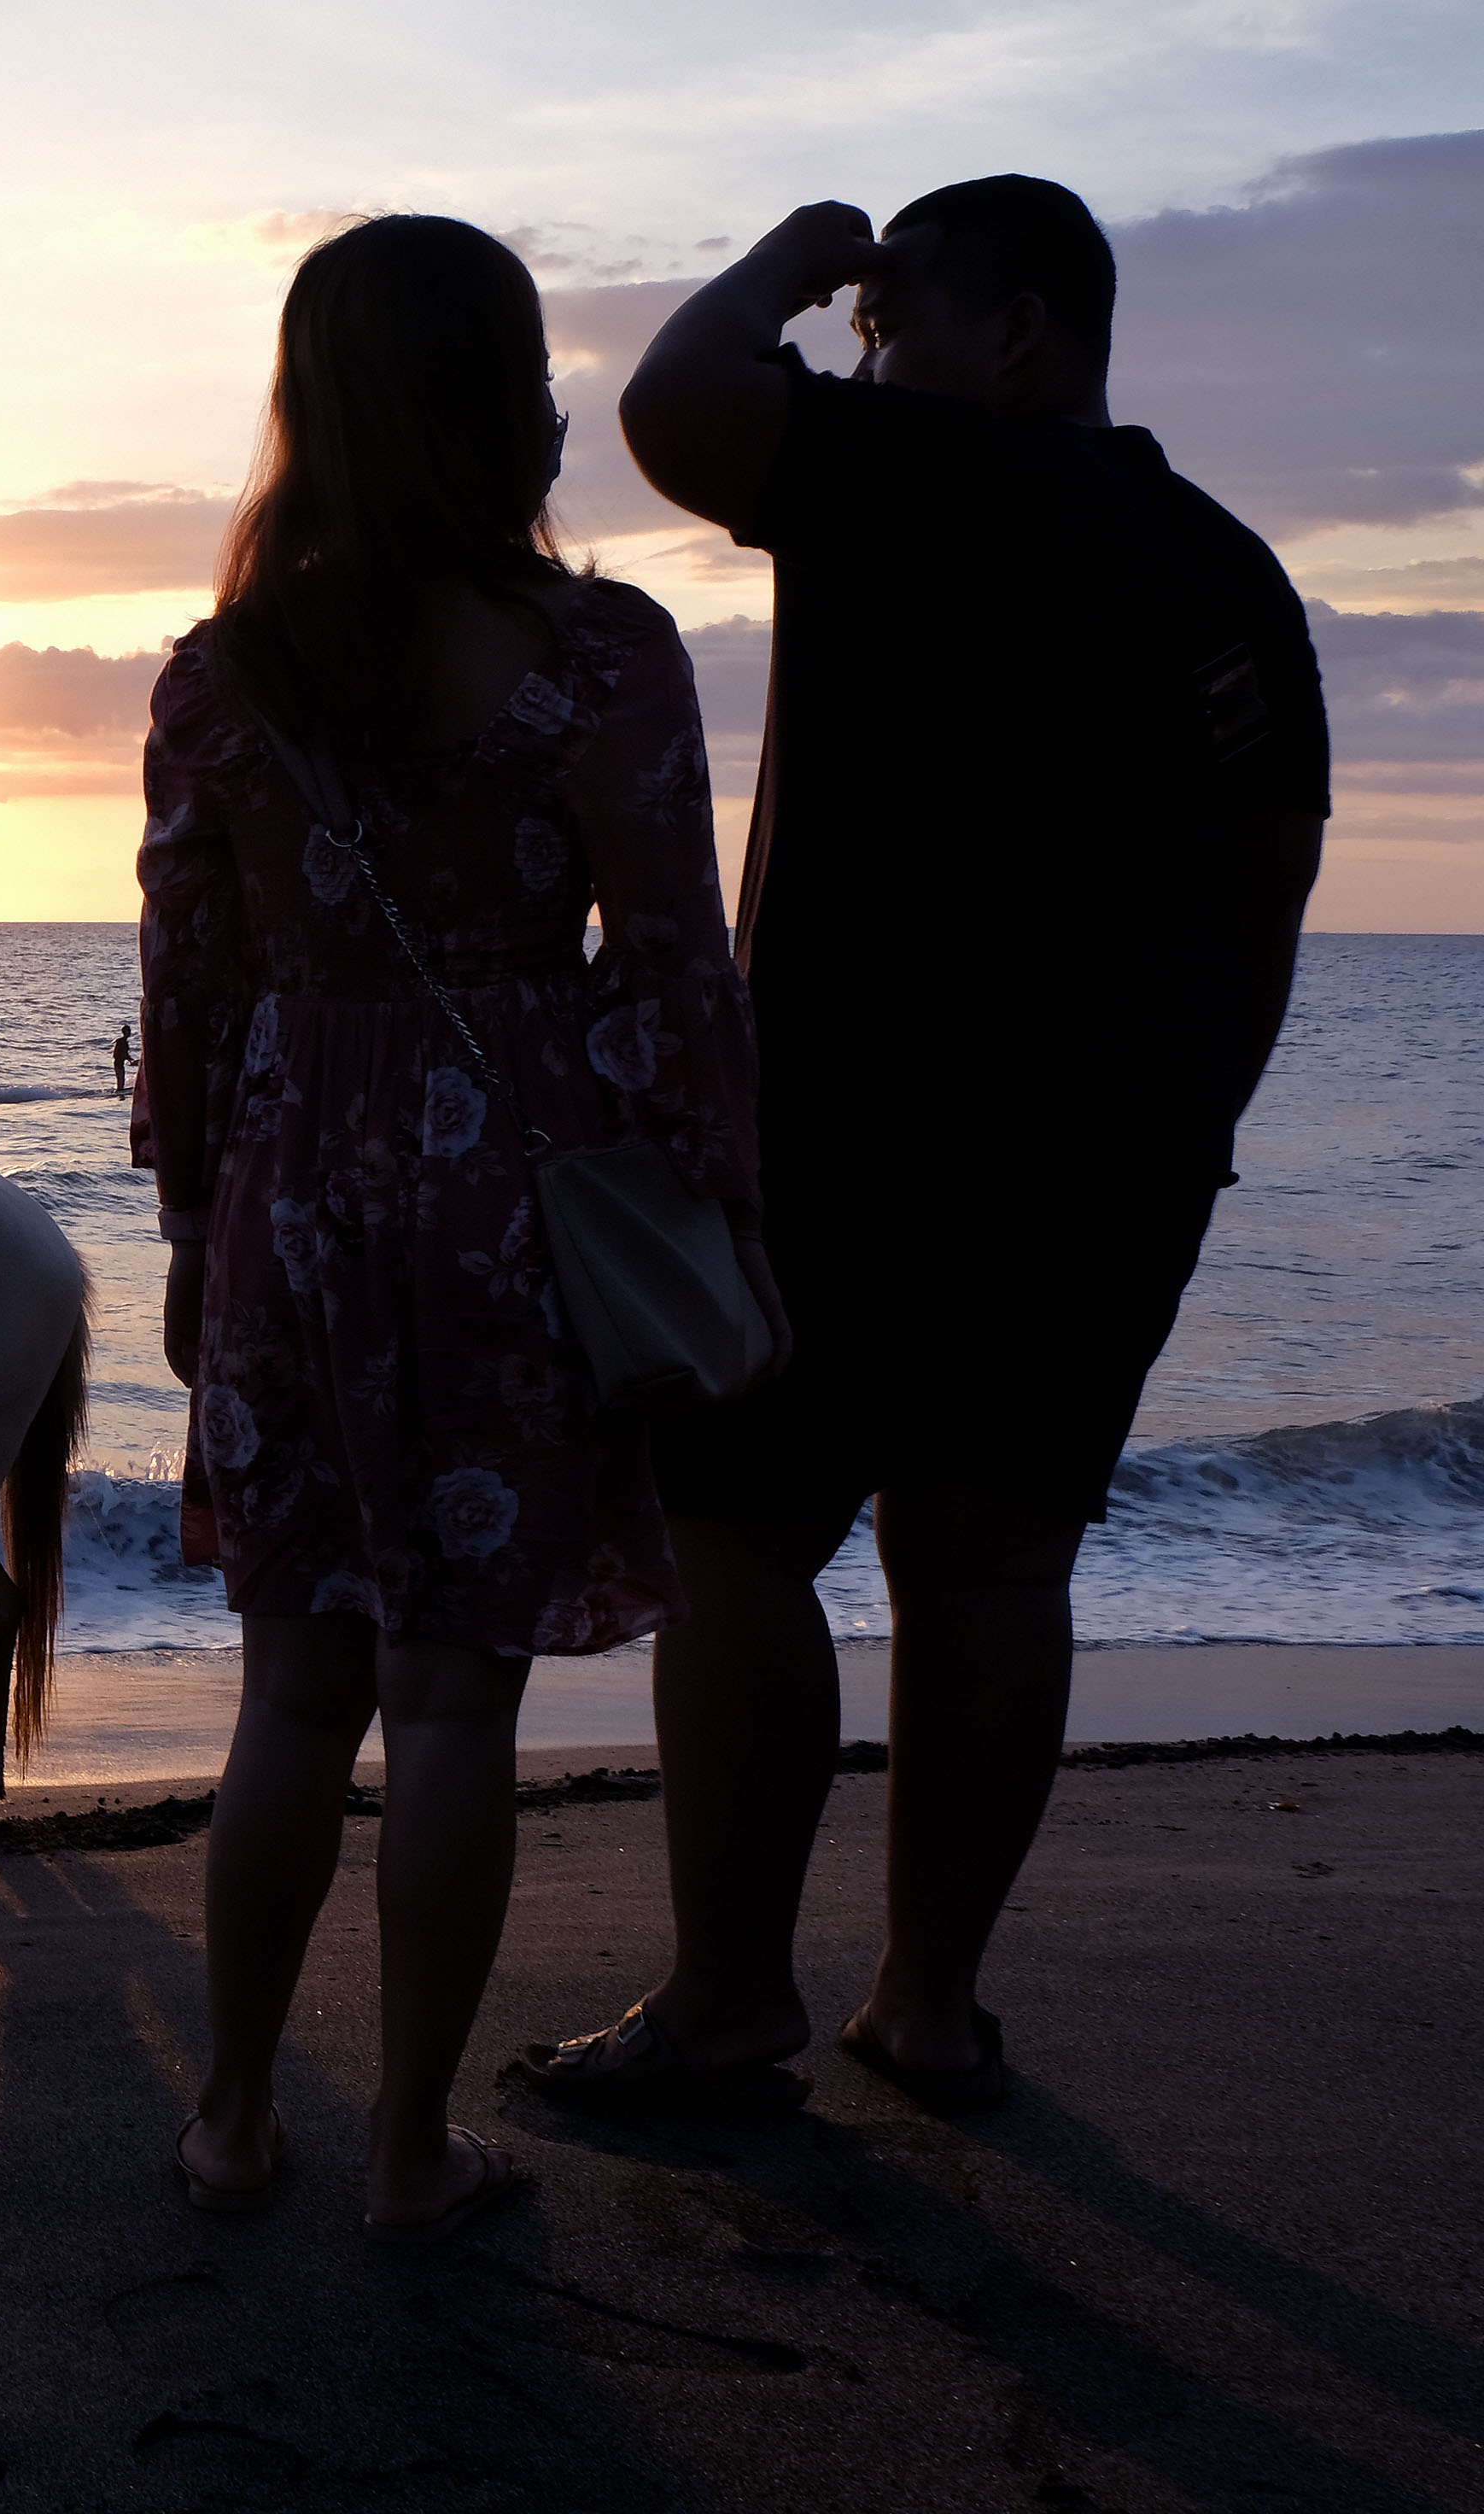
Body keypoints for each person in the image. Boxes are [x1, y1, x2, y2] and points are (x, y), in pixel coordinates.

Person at [521, 180, 1329, 2117]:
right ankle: (927, 2007)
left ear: (1012, 335)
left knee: (734, 1542)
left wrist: (797, 253)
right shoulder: (1220, 571)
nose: (859, 359)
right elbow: (1264, 885)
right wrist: (1180, 1129)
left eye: (886, 327)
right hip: (1103, 1152)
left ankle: (726, 2001)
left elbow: (673, 400)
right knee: (984, 1559)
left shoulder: (915, 476)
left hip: (845, 1119)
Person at [135, 215, 776, 2237]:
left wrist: (186, 1232)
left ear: (304, 406)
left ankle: (232, 2114)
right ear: (508, 400)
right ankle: (408, 2150)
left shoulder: (215, 678)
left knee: (286, 1697)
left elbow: (189, 1001)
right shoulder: (598, 655)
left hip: (287, 1204)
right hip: (507, 1205)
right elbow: (676, 970)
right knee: (445, 1705)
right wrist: (719, 1215)